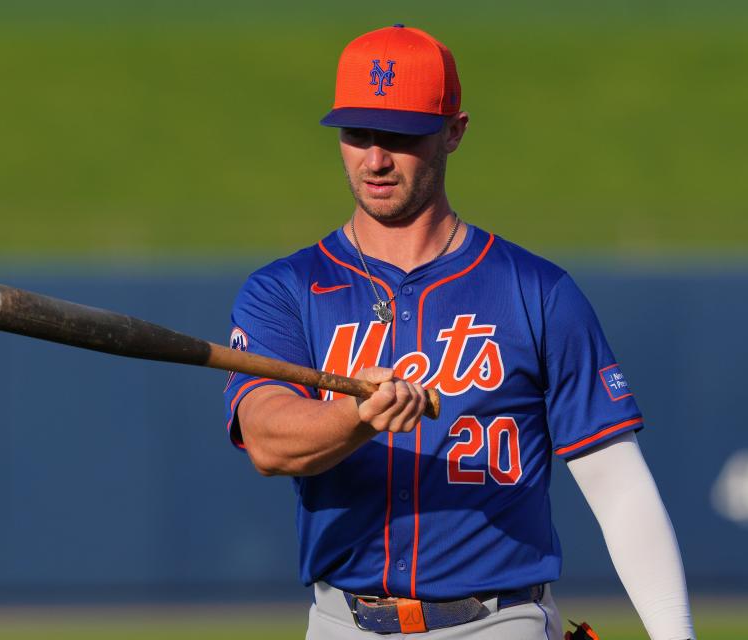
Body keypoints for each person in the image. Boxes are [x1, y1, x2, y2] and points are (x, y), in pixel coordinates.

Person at [223, 24, 695, 640]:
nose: (374, 158)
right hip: (343, 621)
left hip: (498, 620)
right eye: (357, 133)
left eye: (398, 134)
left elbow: (618, 485)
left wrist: (673, 634)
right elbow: (267, 440)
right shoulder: (283, 289)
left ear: (453, 131)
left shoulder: (538, 292)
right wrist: (356, 415)